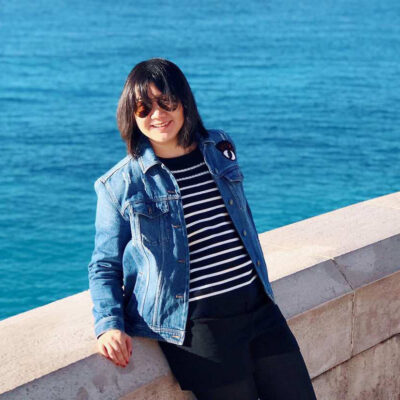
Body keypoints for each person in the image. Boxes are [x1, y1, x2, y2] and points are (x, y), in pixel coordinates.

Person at [88, 57, 317, 399]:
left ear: (184, 101)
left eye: (166, 101)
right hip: (199, 328)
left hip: (259, 307)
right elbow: (105, 264)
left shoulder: (219, 147)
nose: (157, 115)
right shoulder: (120, 185)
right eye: (144, 108)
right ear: (131, 116)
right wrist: (108, 325)